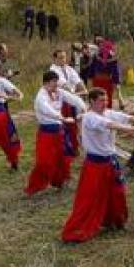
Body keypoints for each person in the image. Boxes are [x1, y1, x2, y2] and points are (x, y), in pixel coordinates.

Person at [61, 88, 134, 243]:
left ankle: (116, 221)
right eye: (101, 100)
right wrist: (131, 129)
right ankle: (76, 229)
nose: (105, 103)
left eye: (106, 100)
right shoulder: (90, 118)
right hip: (95, 165)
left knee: (117, 192)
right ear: (92, 102)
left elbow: (124, 117)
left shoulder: (107, 112)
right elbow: (110, 125)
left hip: (110, 162)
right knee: (90, 198)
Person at [25, 70, 86, 196]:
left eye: (56, 82)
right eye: (54, 82)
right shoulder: (40, 97)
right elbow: (48, 110)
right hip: (46, 134)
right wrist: (62, 118)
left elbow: (74, 99)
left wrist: (83, 108)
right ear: (46, 83)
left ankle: (60, 182)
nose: (56, 85)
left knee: (62, 158)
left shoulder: (58, 92)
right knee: (44, 162)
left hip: (59, 132)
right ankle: (34, 187)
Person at [49, 49, 88, 178]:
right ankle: (65, 150)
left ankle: (74, 147)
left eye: (64, 57)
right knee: (64, 125)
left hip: (71, 99)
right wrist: (75, 93)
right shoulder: (53, 70)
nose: (63, 60)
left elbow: (78, 81)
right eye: (60, 58)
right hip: (61, 101)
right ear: (54, 59)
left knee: (74, 125)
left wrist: (84, 89)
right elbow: (64, 85)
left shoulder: (69, 69)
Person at [88, 41, 124, 109]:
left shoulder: (113, 58)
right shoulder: (96, 56)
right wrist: (90, 83)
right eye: (103, 47)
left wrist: (119, 96)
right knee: (96, 99)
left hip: (107, 83)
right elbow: (91, 71)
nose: (104, 49)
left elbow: (115, 74)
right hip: (97, 82)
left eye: (106, 47)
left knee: (106, 101)